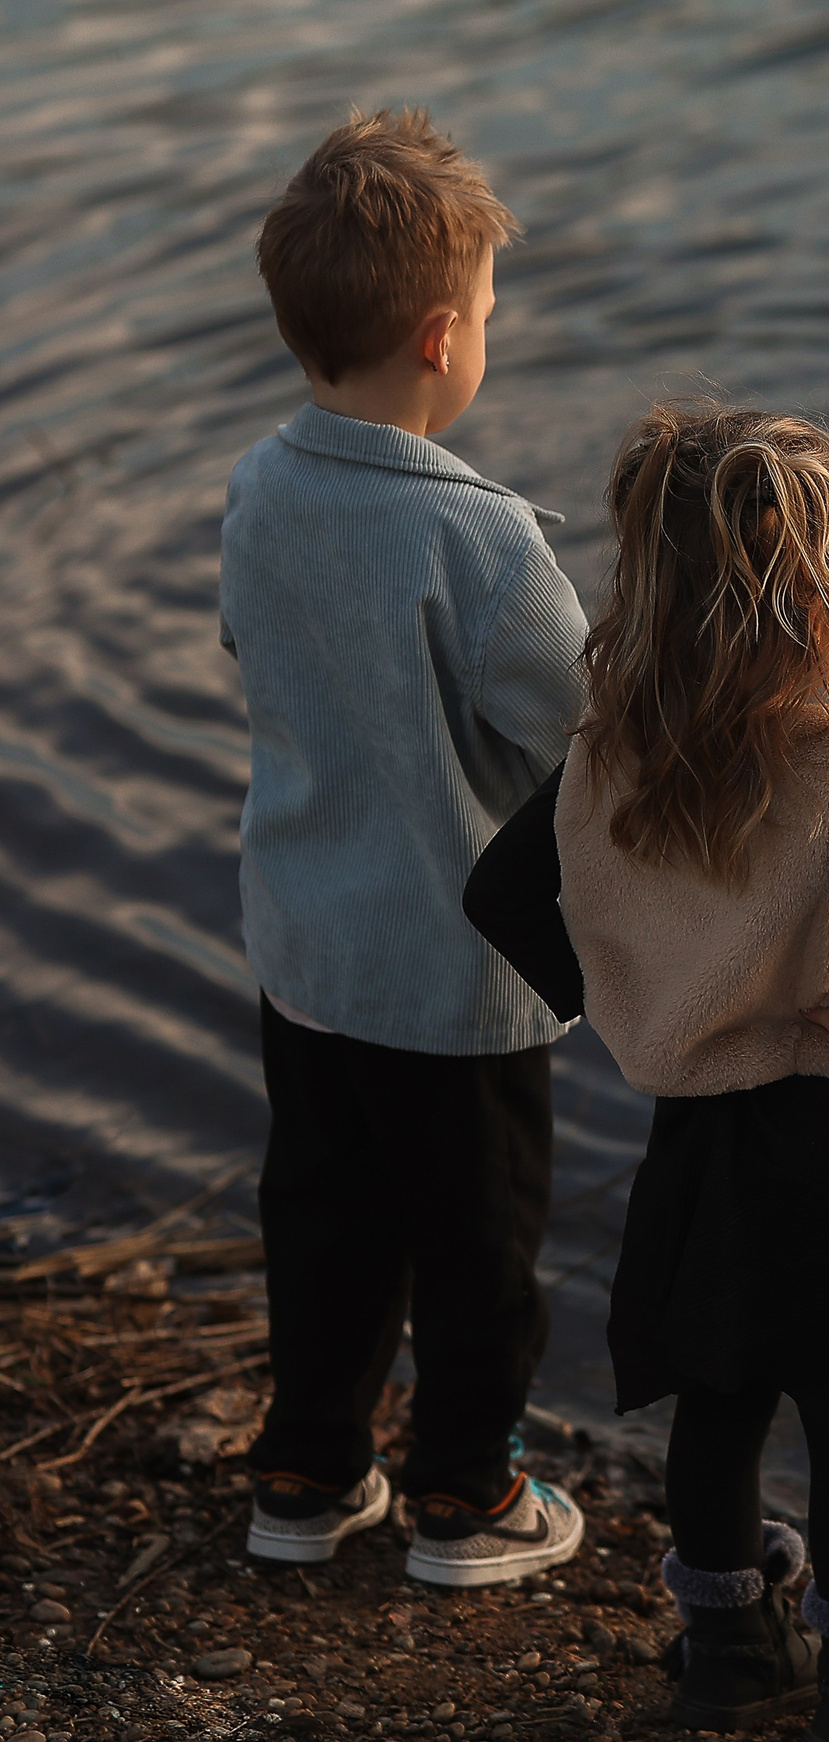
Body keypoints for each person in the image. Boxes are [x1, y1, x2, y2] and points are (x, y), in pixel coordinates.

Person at [465, 402, 829, 1742]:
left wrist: (630, 1001)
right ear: (825, 602)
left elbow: (501, 891)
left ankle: (731, 1658)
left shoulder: (610, 756)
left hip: (696, 1134)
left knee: (719, 1397)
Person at [223, 108, 588, 1586]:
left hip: (309, 945)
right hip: (455, 971)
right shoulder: (485, 540)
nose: (490, 335)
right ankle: (464, 1497)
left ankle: (307, 1474)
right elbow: (584, 720)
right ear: (442, 337)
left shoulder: (263, 485)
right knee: (479, 1240)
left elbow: (260, 650)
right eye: (491, 313)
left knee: (324, 1217)